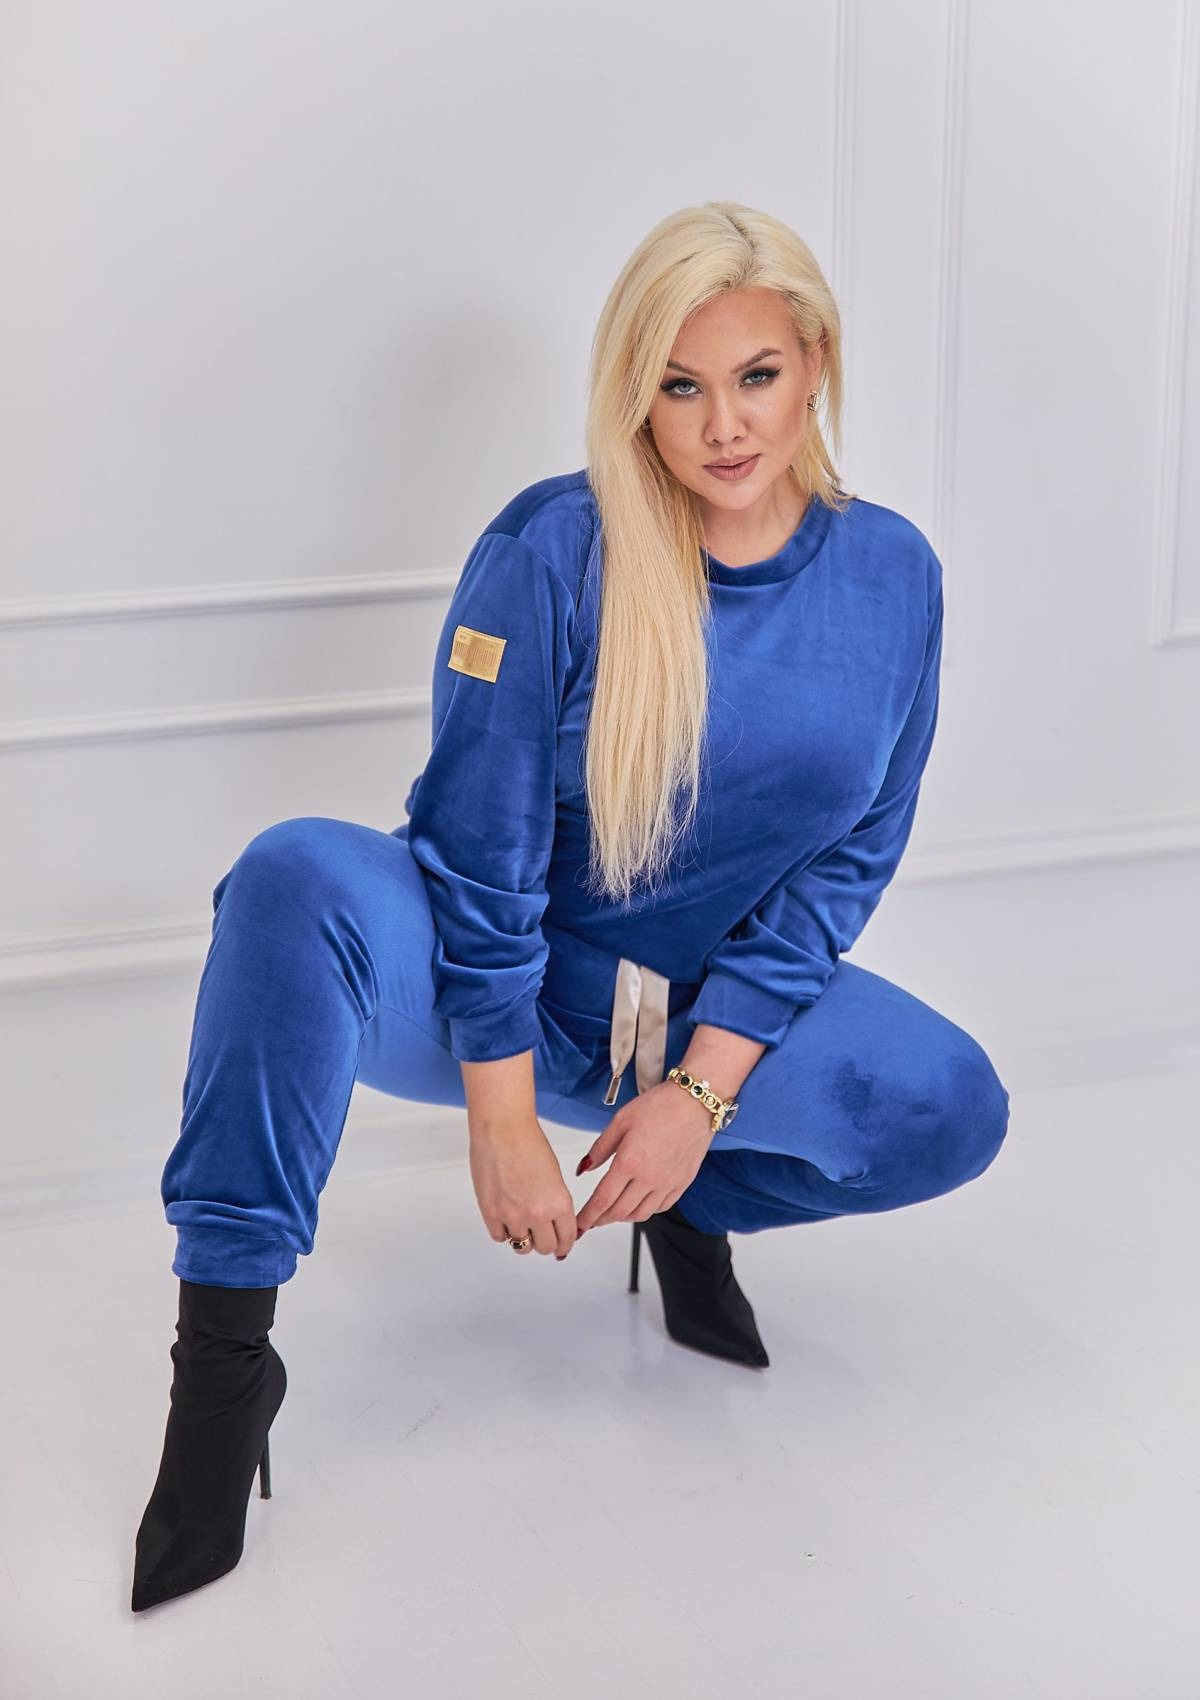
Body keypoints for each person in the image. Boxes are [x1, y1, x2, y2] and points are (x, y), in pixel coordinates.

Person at [130, 199, 1010, 1613]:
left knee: (951, 1107)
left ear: (817, 363)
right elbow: (477, 848)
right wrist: (498, 1116)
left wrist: (700, 1100)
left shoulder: (894, 575)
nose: (724, 424)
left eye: (756, 375)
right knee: (293, 875)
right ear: (635, 395)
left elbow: (849, 862)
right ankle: (223, 1371)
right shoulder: (554, 548)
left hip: (690, 1017)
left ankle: (683, 1206)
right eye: (680, 385)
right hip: (491, 989)